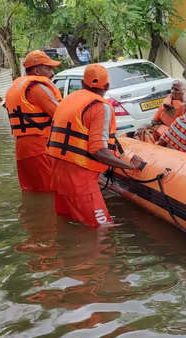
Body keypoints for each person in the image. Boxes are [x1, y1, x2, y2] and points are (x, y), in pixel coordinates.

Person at [46, 64, 145, 228]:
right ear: (107, 86)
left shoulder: (68, 99)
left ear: (83, 84)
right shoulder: (100, 106)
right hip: (80, 179)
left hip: (58, 174)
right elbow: (98, 150)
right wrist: (129, 166)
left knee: (67, 224)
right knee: (101, 229)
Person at [4, 50, 62, 192]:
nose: (52, 73)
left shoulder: (16, 87)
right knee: (50, 192)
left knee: (32, 191)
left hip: (22, 149)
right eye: (48, 68)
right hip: (39, 147)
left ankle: (33, 214)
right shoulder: (37, 88)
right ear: (36, 70)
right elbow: (62, 115)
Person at [135, 79, 186, 144]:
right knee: (140, 133)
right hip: (161, 134)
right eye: (172, 88)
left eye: (176, 90)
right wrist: (145, 125)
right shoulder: (167, 102)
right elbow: (155, 121)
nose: (172, 91)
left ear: (185, 92)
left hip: (174, 139)